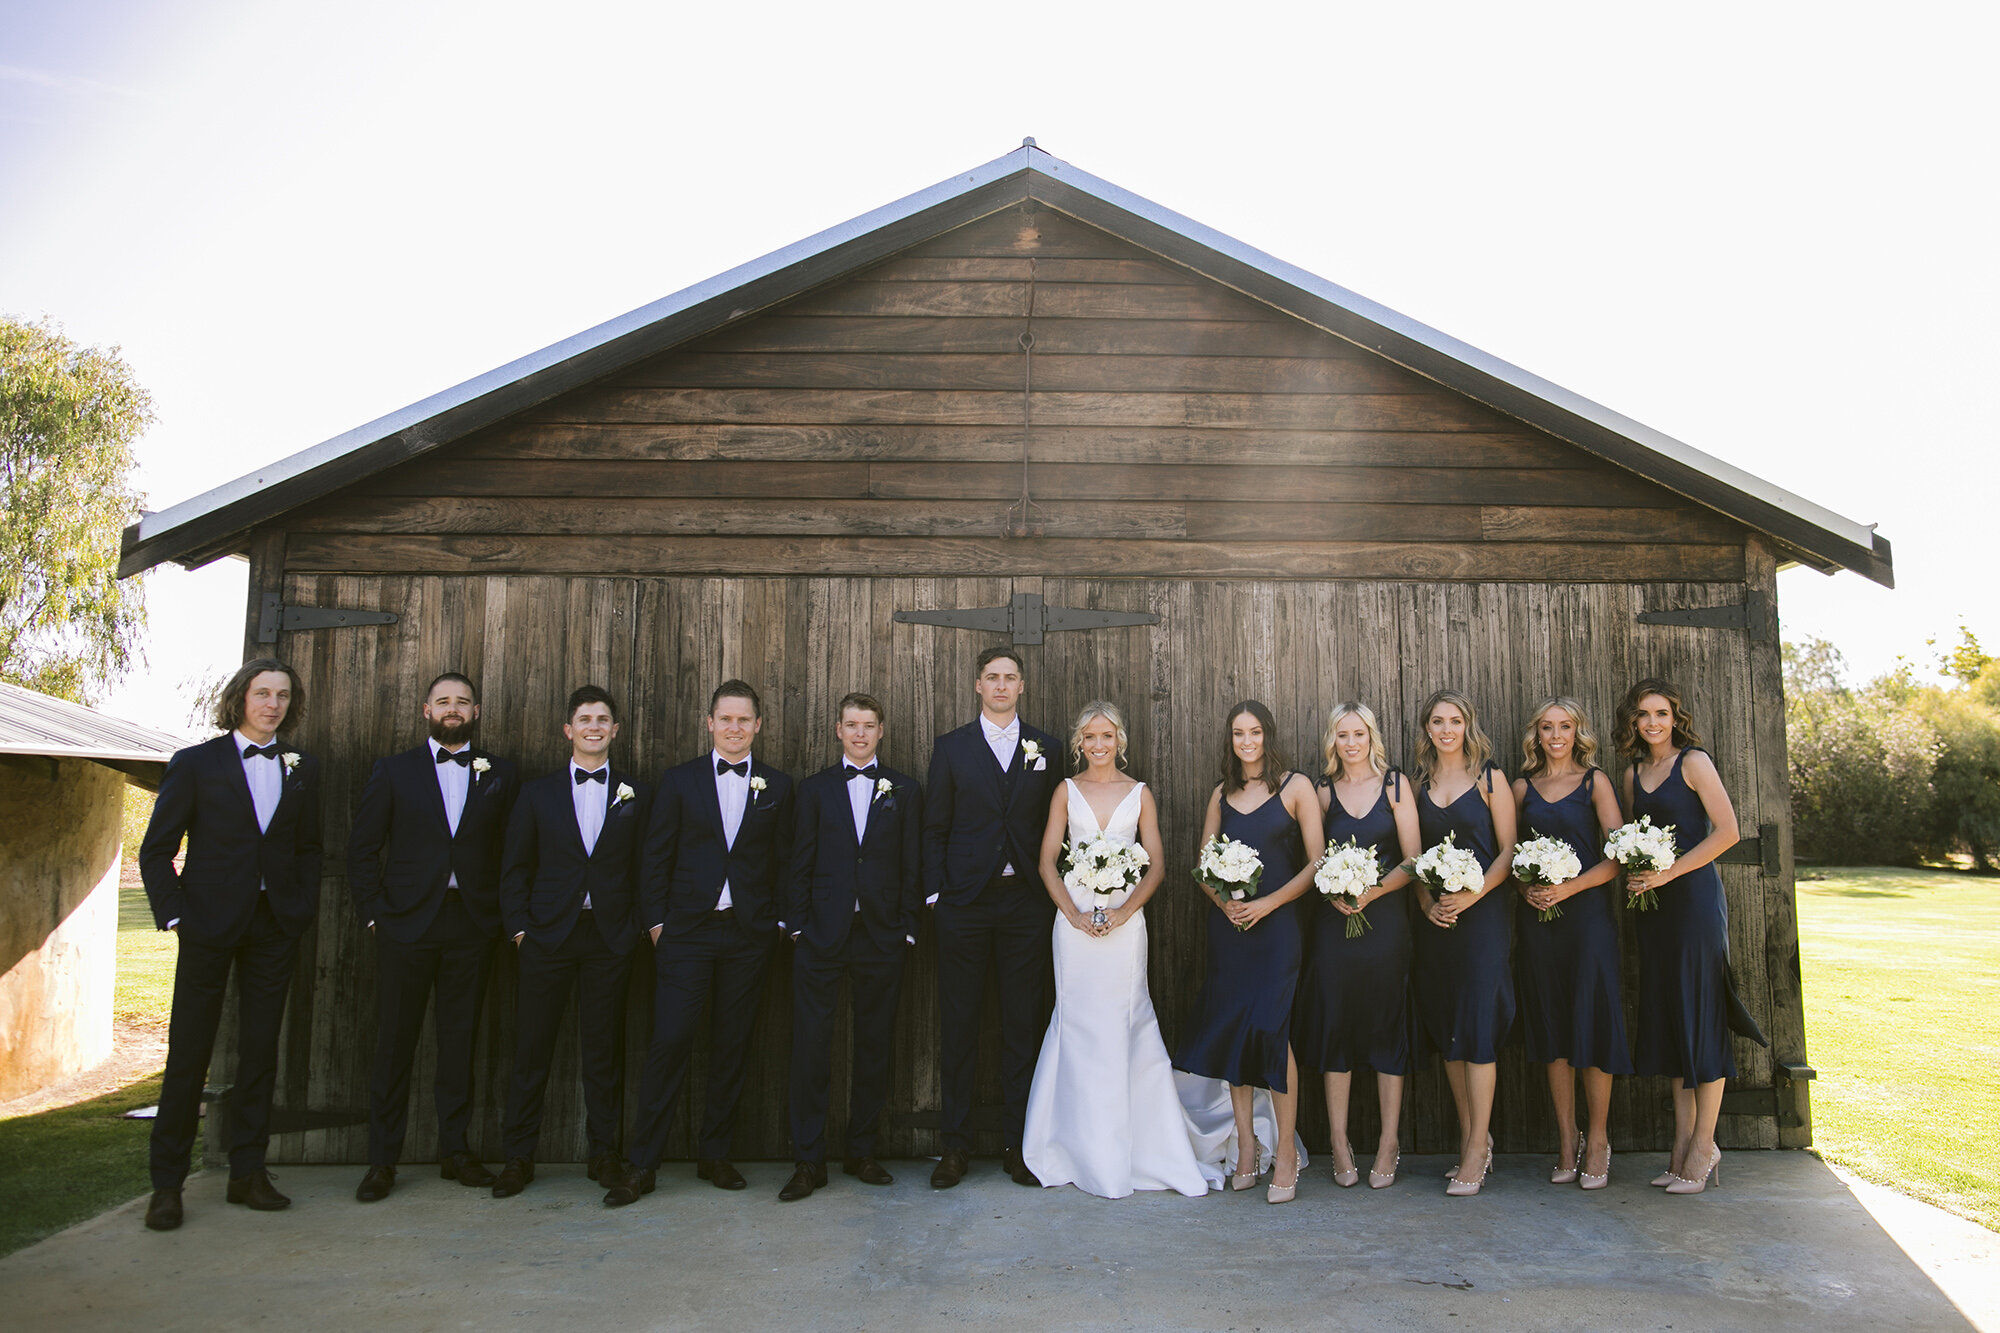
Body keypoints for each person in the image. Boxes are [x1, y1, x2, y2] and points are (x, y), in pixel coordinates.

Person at [138, 658, 323, 1231]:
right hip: (207, 926)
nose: (273, 704)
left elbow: (310, 848)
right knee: (189, 1054)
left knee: (261, 1051)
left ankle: (249, 1173)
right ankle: (167, 1185)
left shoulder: (302, 767)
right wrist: (175, 918)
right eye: (263, 693)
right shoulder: (196, 763)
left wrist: (298, 908)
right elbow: (155, 850)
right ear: (240, 698)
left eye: (284, 696)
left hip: (274, 928)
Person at [612, 680, 794, 1204]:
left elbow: (784, 861)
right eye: (726, 719)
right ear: (710, 723)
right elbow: (654, 857)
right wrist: (657, 925)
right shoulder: (679, 781)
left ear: (758, 725)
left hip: (748, 935)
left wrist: (776, 923)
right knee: (669, 1042)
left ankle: (715, 1154)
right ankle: (642, 1163)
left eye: (745, 720)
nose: (735, 728)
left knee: (732, 1045)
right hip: (686, 934)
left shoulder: (778, 786)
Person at [1021, 701, 1210, 1199]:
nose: (1099, 745)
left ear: (1119, 740)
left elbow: (1158, 866)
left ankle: (1139, 1148)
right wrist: (1074, 915)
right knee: (1078, 1024)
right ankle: (1072, 1147)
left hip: (1125, 928)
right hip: (1074, 927)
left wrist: (1124, 913)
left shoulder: (1139, 794)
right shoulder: (1066, 791)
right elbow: (1046, 864)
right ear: (1080, 742)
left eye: (1107, 736)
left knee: (1125, 1023)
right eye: (1090, 737)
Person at [347, 672, 520, 1202]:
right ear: (426, 710)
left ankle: (455, 1151)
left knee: (459, 1041)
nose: (453, 709)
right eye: (443, 701)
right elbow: (362, 849)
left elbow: (515, 854)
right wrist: (377, 915)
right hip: (406, 926)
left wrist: (499, 918)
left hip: (471, 926)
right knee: (395, 1043)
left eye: (462, 702)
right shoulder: (394, 771)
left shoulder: (502, 774)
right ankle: (382, 1161)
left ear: (476, 711)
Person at [491, 686, 648, 1199]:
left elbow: (648, 868)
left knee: (603, 1052)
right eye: (584, 719)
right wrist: (520, 929)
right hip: (547, 938)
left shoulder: (635, 793)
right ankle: (518, 1157)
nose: (594, 727)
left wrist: (635, 929)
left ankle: (603, 1154)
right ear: (568, 729)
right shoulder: (537, 794)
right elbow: (514, 866)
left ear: (615, 730)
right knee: (532, 1048)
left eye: (603, 718)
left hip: (609, 938)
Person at [1173, 700, 1323, 1205]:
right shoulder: (1222, 793)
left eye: (1255, 732)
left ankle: (1283, 1153)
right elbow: (1202, 864)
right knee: (1235, 1029)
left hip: (1278, 930)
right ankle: (1244, 1147)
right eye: (1238, 733)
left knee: (1273, 1032)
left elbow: (1316, 864)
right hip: (1231, 931)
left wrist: (1266, 905)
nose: (1247, 742)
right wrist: (1227, 905)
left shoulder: (1296, 787)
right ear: (1230, 740)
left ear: (1268, 735)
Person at [774, 692, 923, 1202]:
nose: (859, 734)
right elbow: (798, 858)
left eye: (868, 725)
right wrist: (797, 927)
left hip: (881, 935)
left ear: (881, 731)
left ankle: (862, 1150)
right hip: (821, 935)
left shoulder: (904, 789)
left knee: (874, 1045)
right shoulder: (813, 789)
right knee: (812, 1046)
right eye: (851, 725)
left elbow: (912, 862)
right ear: (838, 730)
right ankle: (808, 1160)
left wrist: (906, 927)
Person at [923, 646, 1062, 1188]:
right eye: (992, 678)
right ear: (978, 686)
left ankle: (1019, 1145)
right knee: (958, 1024)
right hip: (963, 905)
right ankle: (953, 1147)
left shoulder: (1046, 748)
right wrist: (936, 897)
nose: (1001, 686)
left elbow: (1061, 825)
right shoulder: (952, 747)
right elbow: (935, 825)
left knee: (1020, 1024)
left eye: (1010, 678)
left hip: (1025, 903)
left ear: (1021, 687)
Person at [1617, 677, 1740, 1195]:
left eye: (1661, 714)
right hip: (1654, 912)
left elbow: (1728, 831)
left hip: (1692, 907)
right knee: (1673, 1022)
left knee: (1702, 1018)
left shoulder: (1694, 762)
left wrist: (1667, 875)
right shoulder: (1633, 774)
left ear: (1675, 717)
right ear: (1634, 722)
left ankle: (1705, 1146)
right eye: (1643, 715)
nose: (1653, 723)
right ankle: (1681, 1144)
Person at [1296, 701, 1419, 1190]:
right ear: (1333, 741)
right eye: (1342, 735)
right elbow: (1311, 856)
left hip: (1386, 923)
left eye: (1359, 734)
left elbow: (1413, 859)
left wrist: (1372, 891)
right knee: (1337, 1027)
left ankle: (1389, 1142)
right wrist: (1335, 890)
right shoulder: (1322, 791)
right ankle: (1340, 1142)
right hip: (1334, 927)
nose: (1351, 743)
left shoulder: (1396, 785)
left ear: (1372, 737)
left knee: (1387, 1026)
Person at [1511, 696, 1632, 1190]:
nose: (1556, 735)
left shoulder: (1594, 781)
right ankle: (1567, 1139)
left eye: (1564, 727)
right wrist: (1527, 889)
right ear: (1536, 734)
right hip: (1539, 926)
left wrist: (1571, 887)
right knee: (1553, 1029)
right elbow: (1508, 855)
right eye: (1546, 727)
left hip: (1589, 924)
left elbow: (1620, 854)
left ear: (1577, 731)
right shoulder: (1523, 787)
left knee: (1592, 1025)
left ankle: (1598, 1140)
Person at [1410, 687, 1517, 1197]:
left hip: (1483, 919)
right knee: (1449, 1029)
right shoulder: (1418, 785)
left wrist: (1471, 897)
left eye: (1454, 720)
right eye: (1437, 721)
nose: (1446, 729)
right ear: (1427, 728)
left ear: (1468, 725)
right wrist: (1428, 904)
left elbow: (1510, 851)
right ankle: (1472, 1138)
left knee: (1476, 1028)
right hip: (1438, 924)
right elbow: (1413, 860)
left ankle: (1477, 1150)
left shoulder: (1491, 778)